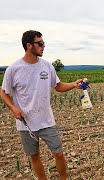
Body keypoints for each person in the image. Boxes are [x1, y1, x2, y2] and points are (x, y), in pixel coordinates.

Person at [0, 30, 82, 180]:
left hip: (46, 120)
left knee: (59, 153)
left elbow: (58, 86)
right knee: (35, 156)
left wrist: (74, 85)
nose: (44, 46)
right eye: (41, 43)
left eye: (43, 43)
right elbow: (3, 92)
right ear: (29, 45)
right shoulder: (13, 69)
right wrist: (13, 108)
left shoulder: (47, 66)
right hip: (25, 123)